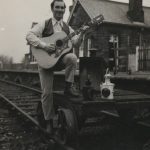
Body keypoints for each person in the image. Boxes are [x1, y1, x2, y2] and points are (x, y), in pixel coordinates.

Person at [26, 0, 88, 134]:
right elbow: (29, 35)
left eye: (62, 8)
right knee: (47, 93)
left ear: (65, 10)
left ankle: (68, 87)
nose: (60, 10)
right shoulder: (45, 23)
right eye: (57, 7)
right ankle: (48, 121)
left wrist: (82, 33)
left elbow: (76, 44)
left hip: (60, 61)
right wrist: (44, 45)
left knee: (72, 57)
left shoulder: (67, 28)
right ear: (52, 8)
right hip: (46, 62)